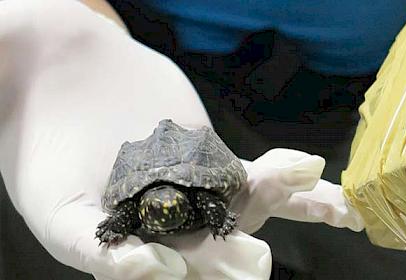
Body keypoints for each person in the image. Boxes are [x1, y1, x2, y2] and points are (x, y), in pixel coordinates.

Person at [0, 1, 363, 279]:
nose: (165, 211)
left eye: (167, 209)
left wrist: (85, 22)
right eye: (158, 210)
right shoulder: (140, 205)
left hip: (316, 88)